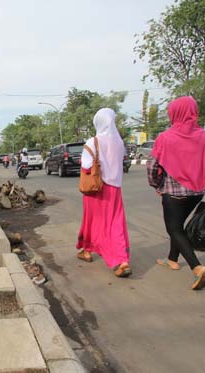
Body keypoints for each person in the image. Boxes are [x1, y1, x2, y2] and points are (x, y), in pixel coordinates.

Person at [147, 96, 205, 290]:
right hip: (197, 192)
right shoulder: (204, 137)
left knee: (174, 229)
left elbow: (152, 166)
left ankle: (197, 267)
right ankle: (172, 259)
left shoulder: (165, 137)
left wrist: (157, 186)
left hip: (174, 193)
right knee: (179, 226)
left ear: (174, 113)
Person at [76, 108, 132, 278]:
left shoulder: (93, 141)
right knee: (114, 222)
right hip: (115, 188)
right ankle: (89, 250)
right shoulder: (119, 143)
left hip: (96, 189)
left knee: (96, 221)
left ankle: (119, 260)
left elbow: (86, 165)